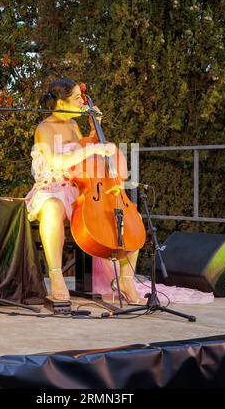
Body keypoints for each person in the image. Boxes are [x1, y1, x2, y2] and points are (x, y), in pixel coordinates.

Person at [26, 78, 147, 304]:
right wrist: (95, 147)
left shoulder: (73, 125)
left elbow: (85, 152)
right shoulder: (44, 129)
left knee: (131, 217)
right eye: (76, 98)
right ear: (61, 102)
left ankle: (126, 278)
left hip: (81, 184)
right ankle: (55, 274)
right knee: (52, 209)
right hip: (53, 184)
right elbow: (56, 162)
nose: (82, 101)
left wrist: (95, 127)